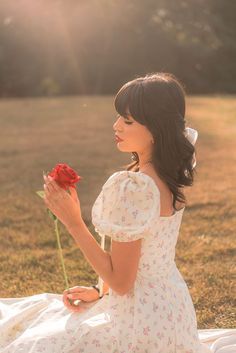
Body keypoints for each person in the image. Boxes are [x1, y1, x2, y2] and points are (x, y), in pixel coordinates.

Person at [0, 72, 235, 353]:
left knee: (32, 344)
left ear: (156, 129)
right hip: (172, 314)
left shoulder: (134, 186)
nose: (116, 126)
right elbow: (135, 262)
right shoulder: (167, 173)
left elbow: (122, 282)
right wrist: (101, 293)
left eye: (128, 121)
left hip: (137, 325)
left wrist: (74, 222)